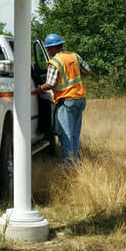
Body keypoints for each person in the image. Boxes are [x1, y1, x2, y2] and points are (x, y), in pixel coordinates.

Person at [36, 34, 91, 166]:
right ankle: (75, 159)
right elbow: (88, 71)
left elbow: (49, 84)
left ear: (52, 48)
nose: (49, 51)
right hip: (80, 99)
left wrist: (39, 88)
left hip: (67, 101)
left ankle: (68, 163)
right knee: (75, 132)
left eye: (49, 49)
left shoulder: (55, 62)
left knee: (65, 133)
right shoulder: (74, 56)